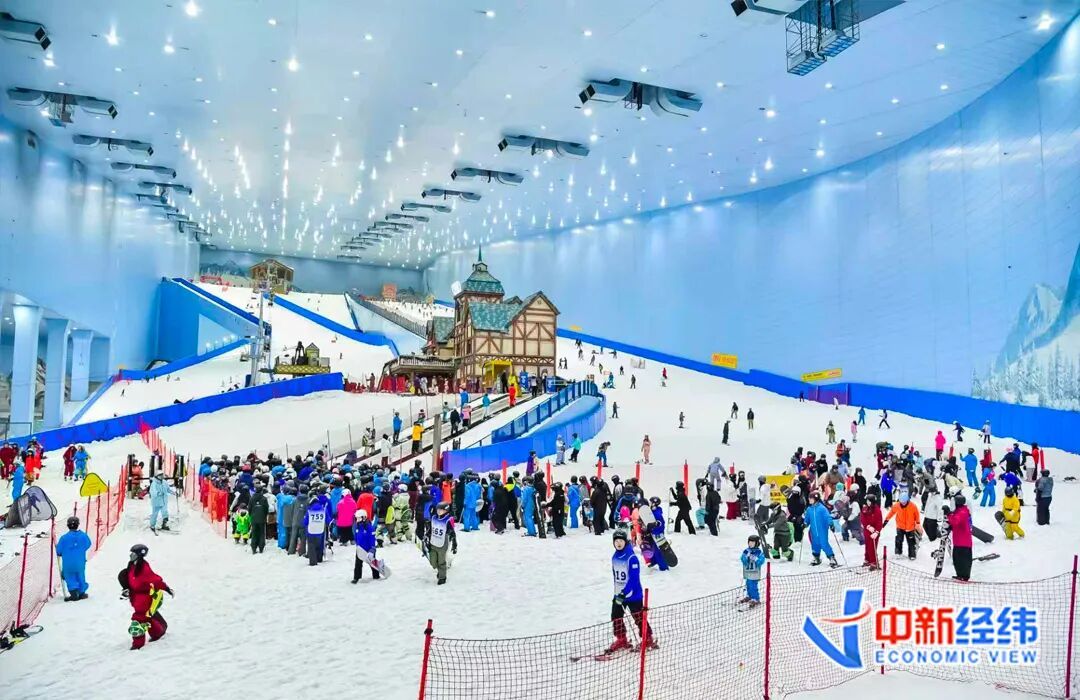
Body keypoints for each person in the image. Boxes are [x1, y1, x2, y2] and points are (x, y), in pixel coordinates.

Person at [605, 529, 655, 654]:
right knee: (616, 616)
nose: (618, 543)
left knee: (638, 617)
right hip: (619, 595)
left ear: (625, 542)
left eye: (621, 541)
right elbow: (616, 576)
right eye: (616, 541)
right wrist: (618, 592)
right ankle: (621, 639)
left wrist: (624, 593)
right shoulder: (615, 557)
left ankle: (648, 638)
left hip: (633, 595)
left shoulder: (631, 558)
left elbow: (633, 579)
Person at [119, 544, 173, 650]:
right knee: (146, 617)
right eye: (131, 553)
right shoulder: (132, 566)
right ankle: (158, 632)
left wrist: (166, 588)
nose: (131, 555)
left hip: (144, 598)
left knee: (138, 620)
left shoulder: (144, 569)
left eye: (134, 554)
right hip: (135, 597)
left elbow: (155, 580)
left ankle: (138, 644)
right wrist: (127, 589)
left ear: (139, 555)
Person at [56, 516, 92, 601]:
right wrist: (80, 549)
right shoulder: (83, 536)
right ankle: (82, 593)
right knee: (81, 576)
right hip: (80, 562)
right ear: (78, 525)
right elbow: (88, 544)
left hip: (68, 564)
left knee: (69, 576)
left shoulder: (64, 538)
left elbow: (58, 551)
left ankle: (73, 593)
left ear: (68, 525)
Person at [424, 501, 457, 585]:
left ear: (446, 510)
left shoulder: (448, 520)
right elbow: (430, 529)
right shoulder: (434, 517)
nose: (439, 511)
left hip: (442, 544)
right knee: (433, 562)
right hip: (433, 542)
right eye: (438, 509)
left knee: (441, 562)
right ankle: (440, 571)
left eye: (441, 510)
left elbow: (452, 532)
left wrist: (454, 543)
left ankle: (442, 577)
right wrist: (427, 536)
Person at [883, 490, 922, 559]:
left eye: (904, 502)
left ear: (907, 500)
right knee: (899, 540)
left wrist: (918, 523)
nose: (903, 503)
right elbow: (891, 513)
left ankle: (912, 555)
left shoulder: (913, 506)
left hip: (910, 527)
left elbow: (917, 515)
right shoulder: (897, 505)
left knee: (911, 542)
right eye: (901, 502)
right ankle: (898, 553)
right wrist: (886, 520)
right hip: (900, 526)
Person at [804, 492, 839, 567]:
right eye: (809, 498)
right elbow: (807, 519)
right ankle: (816, 558)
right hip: (813, 531)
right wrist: (805, 523)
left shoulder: (822, 508)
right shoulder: (809, 509)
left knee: (824, 543)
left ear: (816, 499)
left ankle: (831, 558)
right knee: (815, 544)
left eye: (811, 498)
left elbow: (827, 517)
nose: (809, 499)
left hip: (822, 530)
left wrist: (831, 524)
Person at [943, 495, 973, 581]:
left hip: (963, 542)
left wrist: (948, 513)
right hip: (959, 541)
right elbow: (958, 523)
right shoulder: (960, 511)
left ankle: (964, 576)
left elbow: (955, 521)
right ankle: (960, 575)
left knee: (962, 560)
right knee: (957, 559)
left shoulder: (962, 512)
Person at [352, 510, 383, 582]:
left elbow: (372, 539)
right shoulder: (357, 527)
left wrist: (372, 549)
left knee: (372, 563)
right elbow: (356, 536)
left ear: (364, 518)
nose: (357, 520)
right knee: (358, 564)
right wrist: (357, 545)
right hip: (360, 549)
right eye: (356, 518)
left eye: (359, 518)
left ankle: (376, 576)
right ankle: (356, 577)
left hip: (369, 549)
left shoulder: (369, 528)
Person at [859, 494, 883, 570]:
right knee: (867, 546)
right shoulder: (865, 508)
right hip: (867, 531)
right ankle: (867, 559)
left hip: (874, 532)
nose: (868, 502)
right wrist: (868, 526)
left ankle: (874, 562)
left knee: (872, 547)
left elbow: (879, 522)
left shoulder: (877, 510)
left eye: (869, 501)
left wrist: (877, 532)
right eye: (867, 501)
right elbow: (862, 518)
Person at [741, 535, 766, 604]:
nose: (750, 544)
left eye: (752, 543)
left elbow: (761, 561)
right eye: (749, 542)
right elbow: (742, 559)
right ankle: (749, 596)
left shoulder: (759, 552)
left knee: (753, 585)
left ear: (757, 543)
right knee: (748, 584)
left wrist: (755, 558)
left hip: (755, 572)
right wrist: (745, 558)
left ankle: (755, 598)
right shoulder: (746, 551)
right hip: (748, 571)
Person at [248, 485, 270, 554]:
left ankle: (254, 548)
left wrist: (251, 515)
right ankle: (261, 547)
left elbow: (249, 508)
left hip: (254, 518)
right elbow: (266, 508)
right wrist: (264, 515)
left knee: (254, 533)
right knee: (262, 533)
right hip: (262, 518)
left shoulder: (252, 498)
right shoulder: (264, 499)